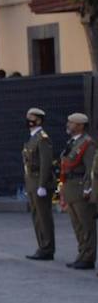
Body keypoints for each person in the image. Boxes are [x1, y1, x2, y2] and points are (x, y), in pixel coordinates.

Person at [59, 113, 96, 270]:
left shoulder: (88, 144)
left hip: (81, 188)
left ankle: (88, 257)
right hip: (70, 187)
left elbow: (91, 170)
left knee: (86, 225)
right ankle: (81, 254)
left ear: (80, 126)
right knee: (77, 225)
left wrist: (89, 189)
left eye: (71, 123)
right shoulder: (73, 142)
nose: (68, 125)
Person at [23, 107, 56, 260]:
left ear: (39, 120)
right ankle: (42, 245)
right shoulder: (32, 137)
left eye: (32, 118)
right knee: (36, 217)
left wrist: (42, 184)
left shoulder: (42, 138)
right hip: (32, 181)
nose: (29, 121)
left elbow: (45, 163)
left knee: (44, 217)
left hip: (39, 182)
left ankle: (47, 248)